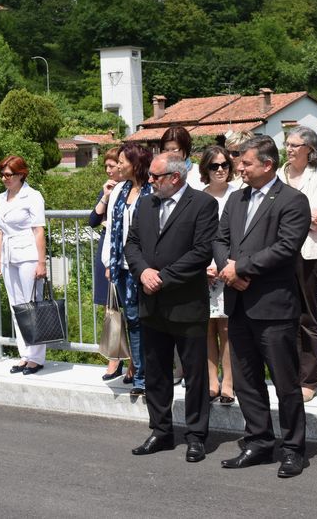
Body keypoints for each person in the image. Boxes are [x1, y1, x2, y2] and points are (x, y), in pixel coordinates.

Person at [214, 135, 311, 478]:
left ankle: (293, 449)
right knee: (246, 381)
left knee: (285, 383)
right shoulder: (236, 199)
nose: (239, 168)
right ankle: (258, 442)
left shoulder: (292, 200)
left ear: (268, 165)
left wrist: (241, 268)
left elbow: (286, 247)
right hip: (239, 303)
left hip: (273, 306)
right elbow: (220, 239)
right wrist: (228, 270)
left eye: (246, 162)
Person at [125, 152, 218, 463]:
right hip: (151, 303)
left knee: (195, 374)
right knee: (156, 372)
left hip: (186, 303)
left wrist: (162, 278)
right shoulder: (146, 204)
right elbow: (132, 244)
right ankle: (161, 431)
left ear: (175, 178)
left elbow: (201, 252)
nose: (150, 181)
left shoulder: (203, 204)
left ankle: (196, 436)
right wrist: (143, 272)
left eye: (155, 176)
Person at [278, 126, 317, 403]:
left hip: (310, 254)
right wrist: (293, 216)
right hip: (280, 253)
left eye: (295, 145)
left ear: (310, 149)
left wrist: (284, 218)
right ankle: (289, 374)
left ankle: (309, 379)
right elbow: (269, 214)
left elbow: (316, 217)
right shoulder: (279, 174)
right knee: (284, 315)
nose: (288, 149)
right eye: (287, 144)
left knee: (308, 315)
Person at [101, 142, 154, 394]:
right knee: (132, 319)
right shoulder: (119, 191)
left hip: (147, 267)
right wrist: (109, 263)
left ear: (136, 163)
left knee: (150, 321)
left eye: (123, 161)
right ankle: (141, 376)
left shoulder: (153, 189)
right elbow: (111, 229)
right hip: (122, 267)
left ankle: (153, 373)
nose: (119, 166)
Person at [0, 155, 48, 375]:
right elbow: (0, 230)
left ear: (20, 174)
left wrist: (41, 262)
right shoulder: (2, 197)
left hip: (28, 254)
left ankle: (37, 357)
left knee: (32, 305)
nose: (4, 178)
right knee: (16, 306)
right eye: (2, 174)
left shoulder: (32, 196)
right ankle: (24, 353)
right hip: (9, 256)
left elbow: (39, 230)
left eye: (8, 175)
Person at [200, 145, 238, 405]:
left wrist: (222, 264)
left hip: (227, 268)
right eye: (214, 166)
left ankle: (229, 382)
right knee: (206, 327)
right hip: (203, 270)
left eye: (224, 164)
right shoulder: (198, 196)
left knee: (226, 328)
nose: (220, 169)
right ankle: (211, 380)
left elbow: (239, 236)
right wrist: (203, 266)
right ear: (206, 169)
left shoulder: (237, 195)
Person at [90, 147, 123, 380]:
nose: (109, 170)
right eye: (106, 166)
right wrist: (105, 196)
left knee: (129, 307)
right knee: (110, 307)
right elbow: (92, 220)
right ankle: (114, 358)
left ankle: (133, 362)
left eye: (112, 166)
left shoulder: (134, 189)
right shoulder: (108, 190)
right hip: (106, 248)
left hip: (125, 249)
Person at [160, 126, 203, 190]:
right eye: (166, 150)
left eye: (174, 150)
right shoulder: (157, 175)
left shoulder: (200, 174)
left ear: (185, 151)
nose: (169, 154)